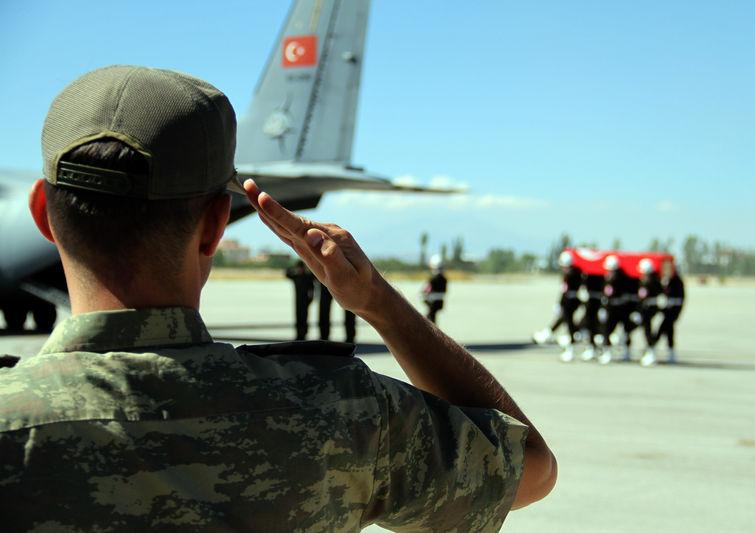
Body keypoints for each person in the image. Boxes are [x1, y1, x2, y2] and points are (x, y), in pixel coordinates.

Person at [0, 66, 555, 531]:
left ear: (42, 214)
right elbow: (532, 468)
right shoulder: (341, 411)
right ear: (217, 225)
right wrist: (379, 303)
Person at [533, 251, 582, 353]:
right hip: (571, 300)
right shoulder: (574, 272)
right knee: (564, 319)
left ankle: (572, 336)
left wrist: (560, 303)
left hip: (569, 301)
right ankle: (549, 333)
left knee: (568, 320)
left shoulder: (570, 274)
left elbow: (565, 291)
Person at [598, 255, 637, 364]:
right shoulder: (607, 279)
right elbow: (605, 295)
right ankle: (607, 352)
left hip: (623, 308)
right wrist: (603, 308)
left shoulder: (624, 278)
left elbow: (630, 294)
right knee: (607, 330)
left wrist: (633, 310)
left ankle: (627, 352)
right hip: (611, 308)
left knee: (626, 331)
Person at [654, 265, 685, 363]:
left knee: (664, 329)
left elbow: (680, 298)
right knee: (667, 330)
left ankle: (653, 347)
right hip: (666, 311)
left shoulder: (677, 282)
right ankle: (668, 351)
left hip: (672, 311)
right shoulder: (665, 281)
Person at [637, 258, 663, 367]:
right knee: (648, 330)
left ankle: (650, 353)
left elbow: (643, 296)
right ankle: (650, 350)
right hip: (652, 308)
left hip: (648, 309)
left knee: (647, 330)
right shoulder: (656, 280)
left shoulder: (648, 281)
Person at [285, 259, 315, 340]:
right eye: (298, 268)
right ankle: (298, 334)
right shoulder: (296, 277)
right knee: (298, 317)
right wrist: (293, 267)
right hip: (297, 301)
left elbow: (312, 290)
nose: (300, 270)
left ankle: (304, 334)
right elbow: (287, 273)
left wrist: (310, 300)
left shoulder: (308, 277)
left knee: (304, 318)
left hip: (306, 301)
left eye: (301, 268)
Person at [422, 254, 448, 324]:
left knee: (430, 319)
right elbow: (445, 291)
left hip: (432, 302)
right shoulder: (444, 279)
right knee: (432, 318)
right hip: (439, 302)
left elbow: (425, 290)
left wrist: (424, 294)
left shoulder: (432, 279)